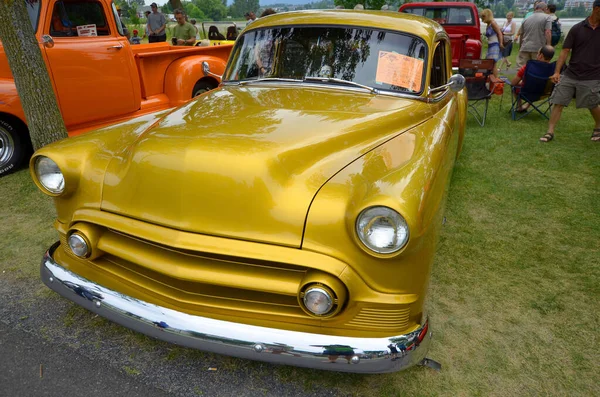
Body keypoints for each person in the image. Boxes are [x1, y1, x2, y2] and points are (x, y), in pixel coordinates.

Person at [540, 0, 600, 142]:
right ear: (597, 9)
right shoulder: (577, 28)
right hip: (571, 73)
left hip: (592, 75)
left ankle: (598, 126)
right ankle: (550, 132)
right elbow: (565, 51)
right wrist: (556, 72)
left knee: (592, 104)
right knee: (558, 101)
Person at [510, 45, 554, 112]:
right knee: (536, 86)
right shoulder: (553, 70)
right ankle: (527, 106)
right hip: (543, 94)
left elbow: (513, 83)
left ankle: (520, 106)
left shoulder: (527, 67)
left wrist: (520, 82)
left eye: (538, 53)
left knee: (515, 87)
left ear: (541, 55)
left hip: (525, 92)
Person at [516, 2, 551, 68]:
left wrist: (520, 47)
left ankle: (522, 79)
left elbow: (521, 34)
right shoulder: (547, 17)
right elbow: (548, 32)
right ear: (545, 9)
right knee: (537, 68)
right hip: (538, 48)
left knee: (522, 69)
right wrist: (549, 46)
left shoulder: (526, 19)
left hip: (525, 47)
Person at [480, 9, 504, 77]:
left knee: (493, 64)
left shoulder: (493, 23)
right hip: (490, 45)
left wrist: (501, 43)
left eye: (483, 17)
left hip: (494, 45)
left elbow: (499, 33)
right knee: (489, 64)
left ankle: (495, 80)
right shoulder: (489, 24)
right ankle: (491, 78)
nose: (482, 19)